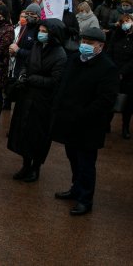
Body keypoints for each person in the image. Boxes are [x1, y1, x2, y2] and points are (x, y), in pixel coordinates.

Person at [50, 27, 118, 216]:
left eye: (89, 43)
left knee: (87, 163)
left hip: (89, 126)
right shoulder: (74, 60)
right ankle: (76, 188)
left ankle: (85, 199)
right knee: (73, 158)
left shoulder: (107, 67)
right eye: (83, 42)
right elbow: (63, 85)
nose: (84, 46)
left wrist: (83, 114)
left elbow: (106, 100)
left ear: (100, 46)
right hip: (69, 121)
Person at [7, 19, 67, 182]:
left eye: (44, 31)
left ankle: (35, 167)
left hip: (43, 101)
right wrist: (24, 74)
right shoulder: (36, 46)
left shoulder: (60, 54)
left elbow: (55, 81)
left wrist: (32, 79)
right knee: (24, 132)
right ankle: (26, 165)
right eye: (40, 30)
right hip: (26, 97)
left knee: (38, 135)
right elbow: (27, 63)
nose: (40, 33)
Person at [107, 13, 133, 139]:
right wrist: (113, 70)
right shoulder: (116, 35)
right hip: (114, 73)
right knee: (110, 99)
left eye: (128, 21)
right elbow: (109, 52)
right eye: (123, 21)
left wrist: (123, 72)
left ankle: (125, 127)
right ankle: (107, 124)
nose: (126, 23)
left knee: (128, 104)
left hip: (128, 77)